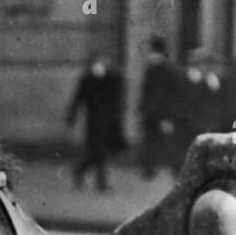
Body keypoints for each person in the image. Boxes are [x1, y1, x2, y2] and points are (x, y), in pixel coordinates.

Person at [66, 52, 125, 192]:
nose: (100, 66)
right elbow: (78, 98)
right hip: (93, 122)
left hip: (108, 122)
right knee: (99, 152)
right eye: (97, 63)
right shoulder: (87, 79)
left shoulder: (112, 78)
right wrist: (72, 116)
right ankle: (101, 184)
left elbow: (116, 100)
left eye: (102, 63)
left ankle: (79, 170)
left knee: (98, 153)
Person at [139, 35, 183, 177]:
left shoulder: (168, 71)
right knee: (150, 141)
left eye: (151, 51)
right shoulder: (151, 69)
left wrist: (169, 116)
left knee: (168, 142)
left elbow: (172, 95)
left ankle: (177, 168)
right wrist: (143, 107)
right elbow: (147, 91)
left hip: (163, 113)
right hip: (151, 112)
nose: (149, 55)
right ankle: (149, 168)